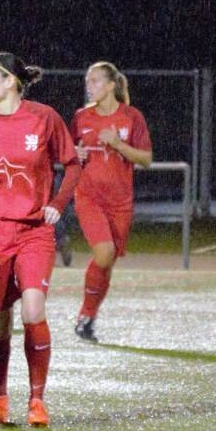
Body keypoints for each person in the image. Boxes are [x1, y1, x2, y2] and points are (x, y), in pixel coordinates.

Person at [0, 53, 80, 428]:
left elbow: (73, 164)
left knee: (33, 312)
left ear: (10, 80)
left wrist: (57, 203)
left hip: (33, 231)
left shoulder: (44, 118)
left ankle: (37, 401)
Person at [70, 62, 152, 342]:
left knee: (107, 263)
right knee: (104, 254)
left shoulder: (132, 117)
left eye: (94, 81)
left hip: (120, 203)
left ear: (110, 85)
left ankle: (88, 319)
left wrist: (118, 145)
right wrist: (74, 153)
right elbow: (67, 152)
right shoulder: (81, 117)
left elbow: (146, 159)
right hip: (89, 197)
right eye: (88, 81)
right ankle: (85, 313)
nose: (89, 86)